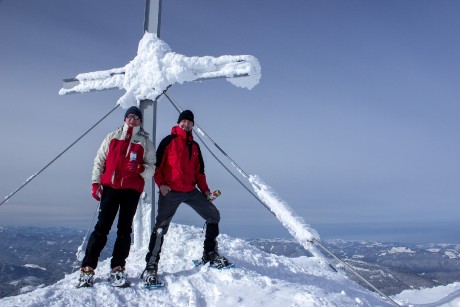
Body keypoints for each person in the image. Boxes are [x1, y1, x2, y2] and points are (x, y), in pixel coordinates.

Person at [142, 110, 230, 286]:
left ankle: (209, 253)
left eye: (189, 122)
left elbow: (199, 173)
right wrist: (161, 185)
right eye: (183, 121)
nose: (186, 124)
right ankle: (151, 266)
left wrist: (205, 191)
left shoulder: (195, 147)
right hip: (171, 191)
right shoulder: (168, 141)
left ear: (192, 126)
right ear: (178, 123)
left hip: (191, 191)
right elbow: (156, 166)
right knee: (161, 227)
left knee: (214, 215)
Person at [78, 106, 156, 288]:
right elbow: (100, 160)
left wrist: (140, 169)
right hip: (110, 188)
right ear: (124, 119)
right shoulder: (112, 137)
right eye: (129, 116)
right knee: (102, 228)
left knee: (124, 230)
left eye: (136, 117)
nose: (132, 120)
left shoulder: (145, 142)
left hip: (131, 191)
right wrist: (95, 183)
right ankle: (88, 268)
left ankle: (118, 267)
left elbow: (152, 168)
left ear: (140, 121)